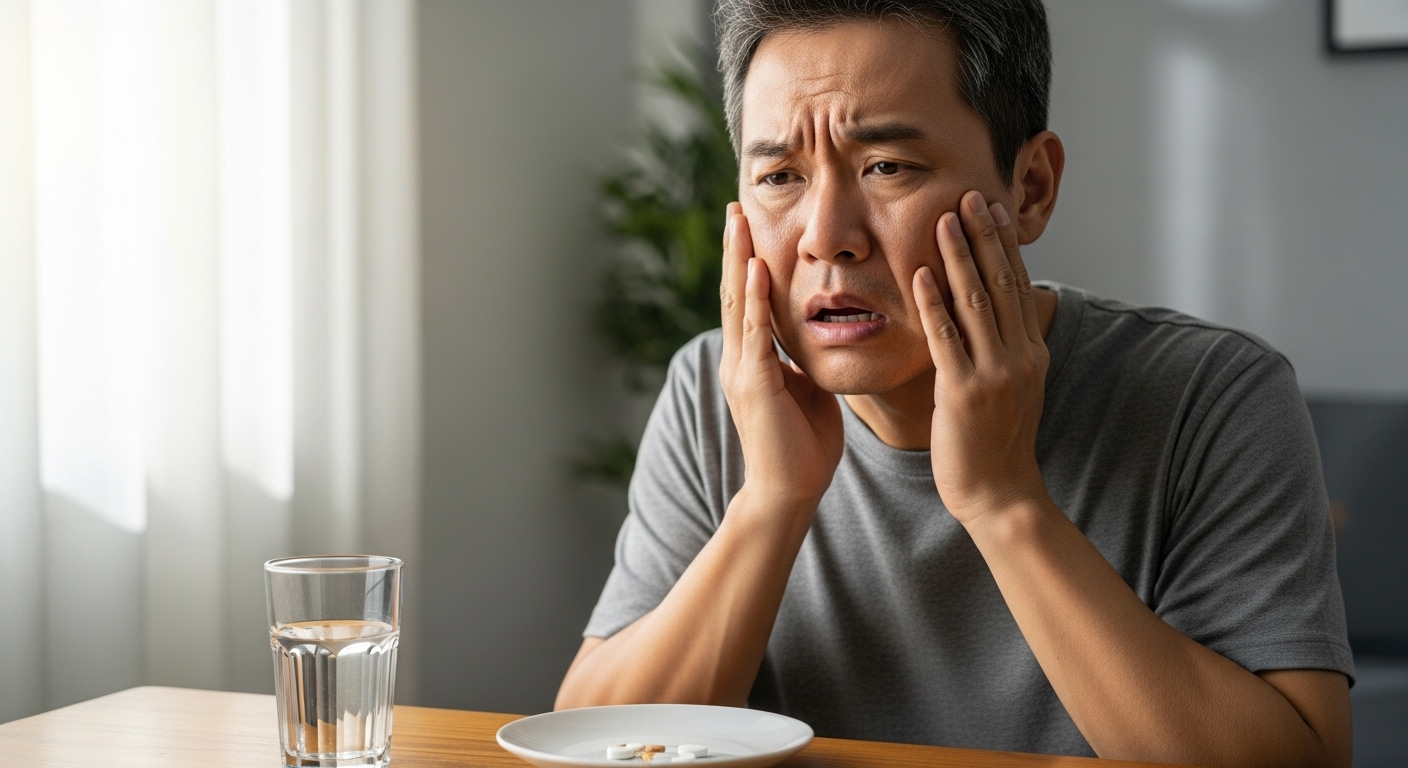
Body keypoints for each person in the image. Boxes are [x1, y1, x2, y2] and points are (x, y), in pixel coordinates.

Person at [555, 1, 1355, 765]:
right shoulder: (718, 386)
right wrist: (769, 502)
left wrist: (1005, 502)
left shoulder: (1213, 396)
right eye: (780, 178)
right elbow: (590, 740)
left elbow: (1298, 757)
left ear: (1031, 187)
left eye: (887, 166)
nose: (827, 239)